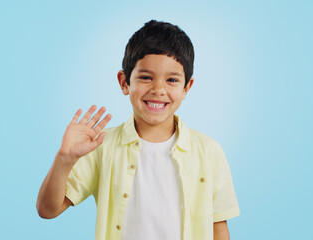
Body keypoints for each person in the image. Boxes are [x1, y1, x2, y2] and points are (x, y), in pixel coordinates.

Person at [36, 19, 240, 240]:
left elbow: (218, 228)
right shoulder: (101, 146)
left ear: (186, 88)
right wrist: (64, 158)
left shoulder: (209, 151)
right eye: (145, 77)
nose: (158, 89)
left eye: (172, 79)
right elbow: (48, 210)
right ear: (124, 82)